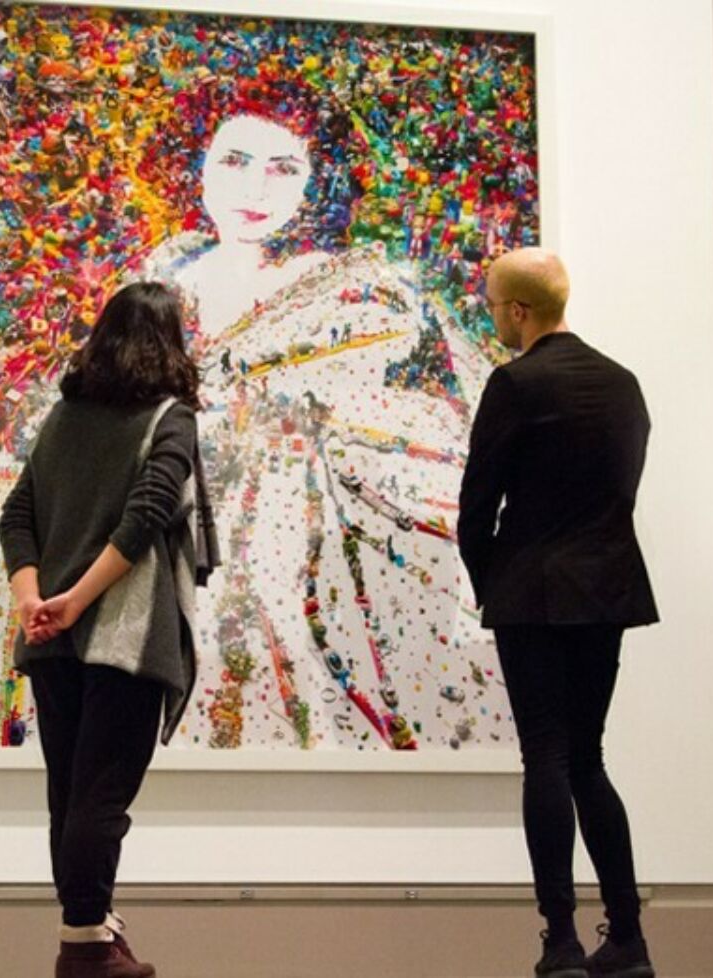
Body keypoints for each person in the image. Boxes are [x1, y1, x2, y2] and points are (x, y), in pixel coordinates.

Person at [137, 79, 507, 754]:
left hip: (295, 526)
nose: (256, 191)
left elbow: (409, 412)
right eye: (235, 162)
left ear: (318, 183)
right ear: (196, 165)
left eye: (284, 169)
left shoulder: (358, 293)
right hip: (167, 510)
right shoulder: (166, 277)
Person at [0, 281, 209, 978]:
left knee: (69, 795)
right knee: (100, 797)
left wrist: (37, 601)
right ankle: (86, 944)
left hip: (52, 639)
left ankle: (89, 932)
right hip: (123, 633)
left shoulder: (64, 419)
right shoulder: (171, 418)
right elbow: (148, 514)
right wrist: (78, 600)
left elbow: (15, 517)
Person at [458, 248, 658, 978]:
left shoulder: (514, 384)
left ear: (519, 310)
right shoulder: (623, 384)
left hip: (533, 593)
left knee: (543, 754)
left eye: (493, 305)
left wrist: (494, 583)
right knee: (587, 758)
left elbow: (476, 508)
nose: (491, 316)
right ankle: (629, 936)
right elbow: (623, 491)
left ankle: (561, 941)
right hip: (606, 590)